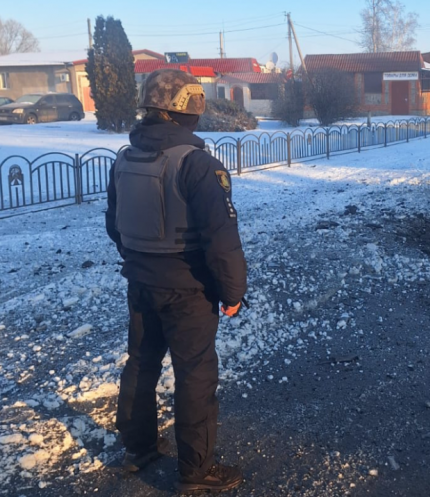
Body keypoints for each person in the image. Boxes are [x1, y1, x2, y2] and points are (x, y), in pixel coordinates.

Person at [105, 69, 247, 494]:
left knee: (141, 363)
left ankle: (139, 449)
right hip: (189, 291)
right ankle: (196, 471)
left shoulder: (124, 159)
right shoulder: (198, 164)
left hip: (140, 283)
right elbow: (221, 238)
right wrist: (233, 291)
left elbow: (115, 224)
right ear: (186, 111)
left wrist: (139, 260)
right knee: (195, 375)